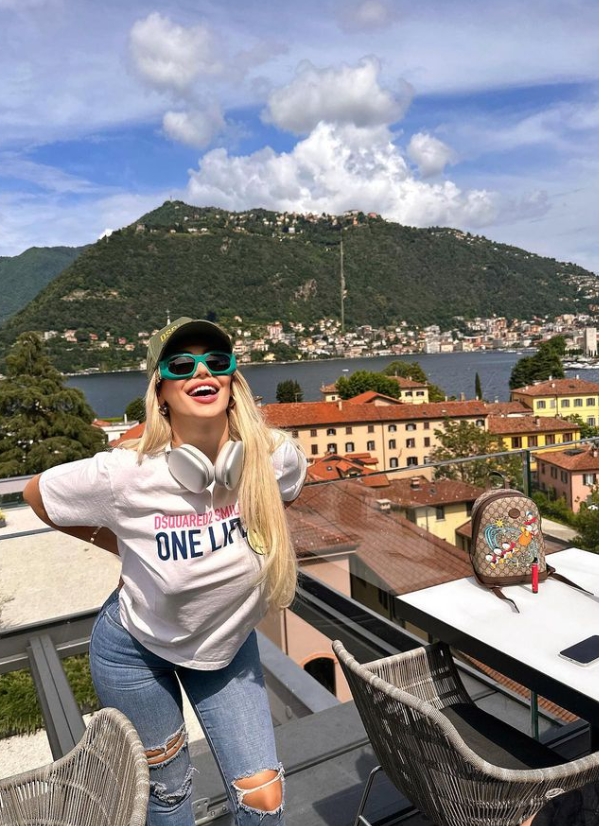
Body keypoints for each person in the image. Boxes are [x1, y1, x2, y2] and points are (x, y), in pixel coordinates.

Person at [23, 316, 308, 826]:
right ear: (161, 391)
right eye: (181, 364)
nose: (202, 371)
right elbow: (36, 495)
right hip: (134, 654)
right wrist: (120, 545)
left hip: (226, 647)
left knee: (263, 799)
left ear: (233, 379)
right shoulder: (125, 474)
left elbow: (286, 496)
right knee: (169, 792)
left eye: (216, 361)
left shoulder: (273, 459)